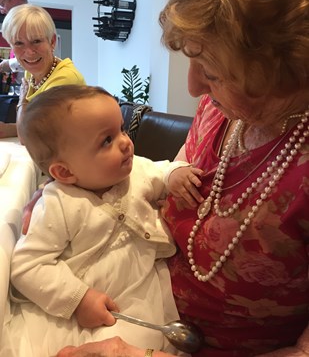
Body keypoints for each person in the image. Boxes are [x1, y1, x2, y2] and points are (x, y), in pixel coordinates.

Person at [55, 0, 309, 356]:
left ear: (286, 70)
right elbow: (164, 181)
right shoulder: (218, 108)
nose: (192, 89)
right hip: (140, 305)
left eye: (211, 71)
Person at [2, 85, 203, 357]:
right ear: (64, 171)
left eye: (121, 129)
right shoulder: (58, 204)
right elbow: (27, 266)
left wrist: (175, 175)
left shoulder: (138, 171)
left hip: (137, 298)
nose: (125, 142)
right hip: (79, 305)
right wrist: (79, 299)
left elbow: (162, 171)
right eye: (107, 140)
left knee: (141, 341)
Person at [0, 3, 86, 138]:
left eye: (36, 41)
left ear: (52, 41)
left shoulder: (66, 79)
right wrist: (5, 130)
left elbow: (29, 135)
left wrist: (23, 100)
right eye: (18, 43)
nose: (29, 52)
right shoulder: (32, 72)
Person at [0, 0, 28, 90]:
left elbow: (41, 55)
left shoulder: (32, 21)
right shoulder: (19, 23)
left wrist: (9, 64)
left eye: (2, 4)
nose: (2, 10)